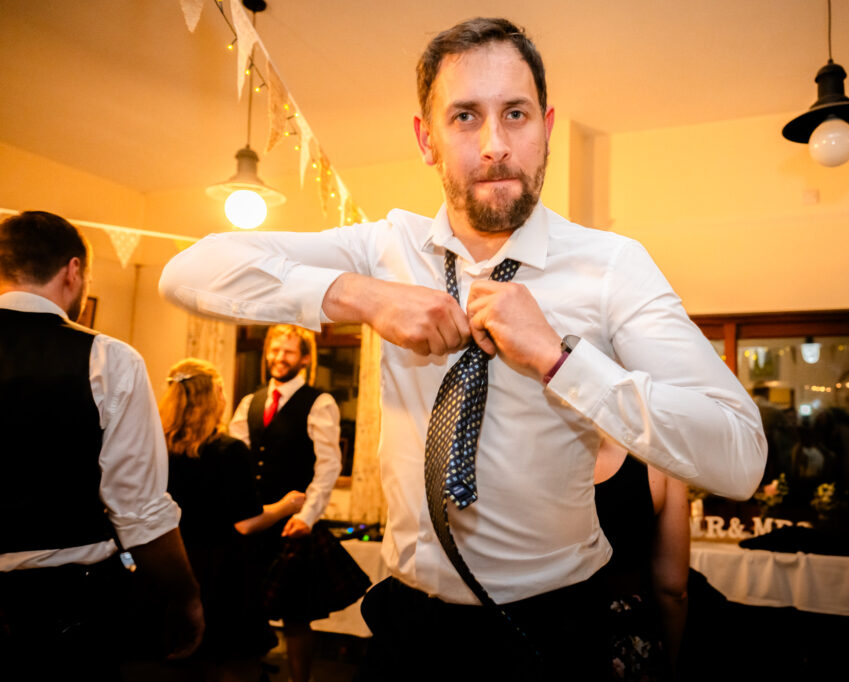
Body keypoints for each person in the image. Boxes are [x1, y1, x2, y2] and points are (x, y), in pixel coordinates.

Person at [160, 17, 766, 680]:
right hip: (409, 630)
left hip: (555, 631)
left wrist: (564, 362)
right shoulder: (385, 249)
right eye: (465, 117)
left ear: (547, 126)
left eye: (515, 114)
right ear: (426, 138)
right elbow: (188, 270)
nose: (496, 145)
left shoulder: (613, 265)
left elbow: (739, 458)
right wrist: (360, 296)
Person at [0, 210, 204, 679]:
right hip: (64, 609)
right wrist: (185, 596)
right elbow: (138, 511)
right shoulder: (108, 358)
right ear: (73, 271)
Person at [159, 357, 308, 681]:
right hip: (219, 572)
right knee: (233, 663)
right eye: (222, 391)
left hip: (168, 562)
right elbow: (246, 523)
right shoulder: (228, 451)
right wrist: (287, 505)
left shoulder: (156, 447)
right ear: (213, 397)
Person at [227, 324, 342, 682]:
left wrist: (308, 516)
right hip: (254, 521)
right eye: (274, 351)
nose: (279, 358)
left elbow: (328, 466)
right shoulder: (250, 402)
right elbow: (236, 460)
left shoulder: (319, 402)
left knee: (296, 615)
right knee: (247, 610)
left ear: (305, 358)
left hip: (295, 523)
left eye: (289, 352)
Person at [595, 440, 690, 681]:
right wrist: (672, 665)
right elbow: (673, 588)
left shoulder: (523, 453)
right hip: (625, 635)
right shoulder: (660, 456)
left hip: (548, 629)